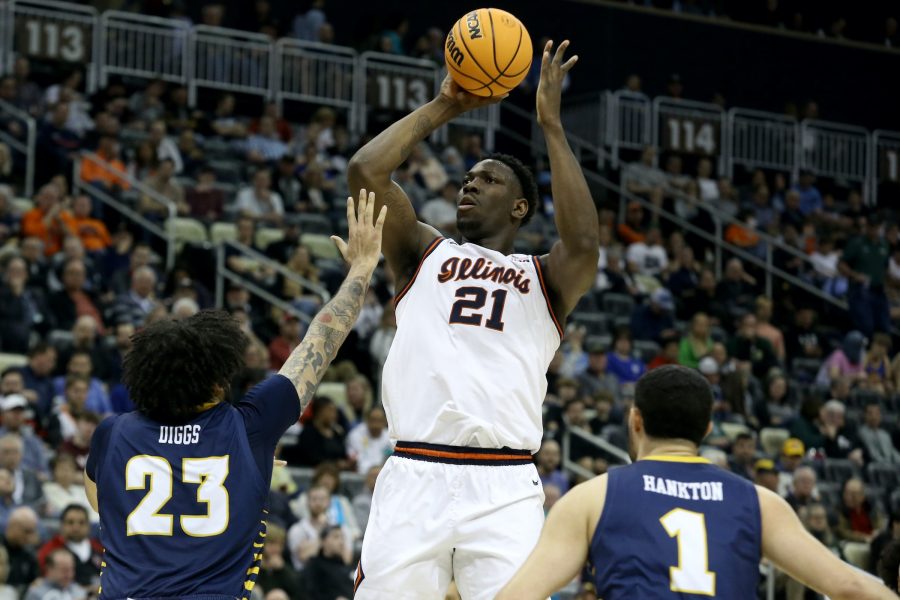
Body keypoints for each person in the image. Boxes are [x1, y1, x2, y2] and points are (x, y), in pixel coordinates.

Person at [347, 41, 598, 599]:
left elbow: (583, 242)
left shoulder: (544, 278)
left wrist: (552, 128)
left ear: (519, 208)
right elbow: (366, 171)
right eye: (468, 177)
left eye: (488, 180)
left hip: (505, 485)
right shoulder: (421, 252)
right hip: (415, 472)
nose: (469, 183)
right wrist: (445, 106)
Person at [82, 190, 386, 599]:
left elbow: (107, 508)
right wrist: (362, 269)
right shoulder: (250, 428)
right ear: (215, 380)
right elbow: (320, 341)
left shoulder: (113, 434)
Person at [495, 365, 895, 600]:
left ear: (635, 421)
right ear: (706, 428)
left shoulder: (592, 497)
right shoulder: (760, 502)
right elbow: (849, 587)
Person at [36, 504, 102, 587]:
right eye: (70, 522)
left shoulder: (100, 548)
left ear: (88, 526)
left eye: (81, 523)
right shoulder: (49, 550)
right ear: (62, 525)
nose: (76, 527)